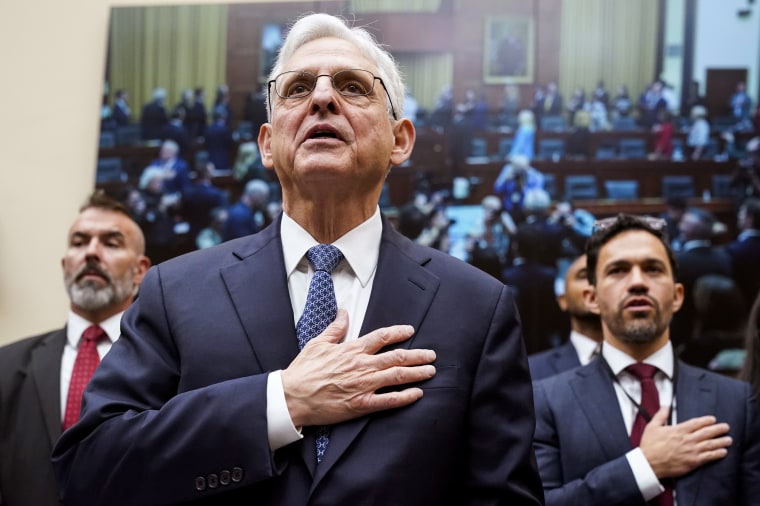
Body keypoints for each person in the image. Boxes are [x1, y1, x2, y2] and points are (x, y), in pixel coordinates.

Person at [52, 13, 543, 505]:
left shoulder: (477, 307)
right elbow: (90, 466)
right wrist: (281, 402)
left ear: (400, 141)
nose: (322, 98)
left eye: (352, 87)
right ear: (268, 144)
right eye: (297, 88)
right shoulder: (173, 292)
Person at [532, 213, 760, 505]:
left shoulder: (735, 400)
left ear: (677, 296)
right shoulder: (548, 400)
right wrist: (643, 468)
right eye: (618, 271)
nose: (638, 283)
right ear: (592, 298)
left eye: (653, 269)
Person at [0, 191, 150, 506]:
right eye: (79, 242)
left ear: (140, 271)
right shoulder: (6, 364)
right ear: (65, 263)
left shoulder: (167, 365)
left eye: (111, 243)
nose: (91, 253)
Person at [529, 254, 604, 380]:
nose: (595, 284)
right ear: (563, 300)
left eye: (610, 274)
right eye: (584, 275)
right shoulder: (532, 371)